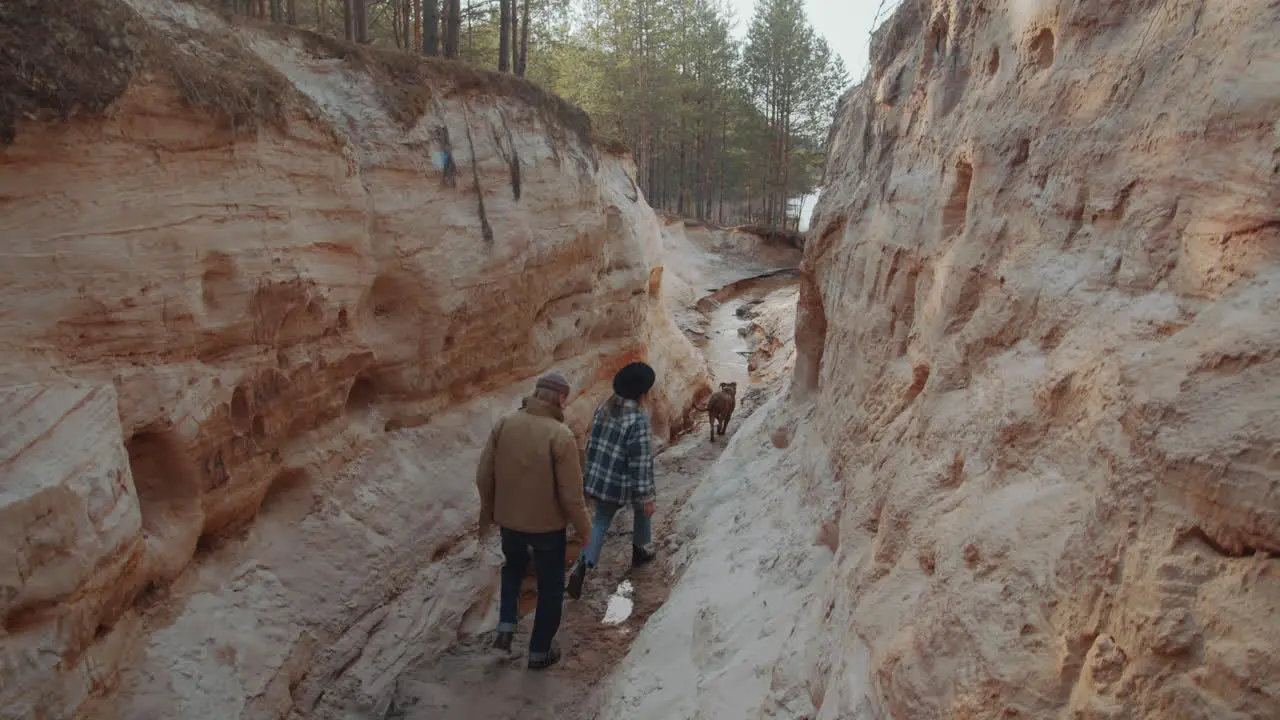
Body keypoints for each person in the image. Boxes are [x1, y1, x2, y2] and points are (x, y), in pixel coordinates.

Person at [475, 371, 591, 670]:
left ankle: (506, 625)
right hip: (547, 528)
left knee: (513, 567)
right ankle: (539, 651)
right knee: (551, 587)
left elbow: (484, 474)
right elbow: (571, 495)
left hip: (509, 521)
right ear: (561, 398)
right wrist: (585, 532)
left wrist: (489, 511)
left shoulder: (505, 424)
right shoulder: (560, 435)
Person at [566, 361, 658, 600]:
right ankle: (641, 549)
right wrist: (647, 496)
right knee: (643, 509)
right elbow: (640, 463)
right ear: (641, 393)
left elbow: (593, 443)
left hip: (599, 478)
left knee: (599, 522)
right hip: (621, 482)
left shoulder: (605, 406)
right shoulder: (637, 420)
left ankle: (583, 564)